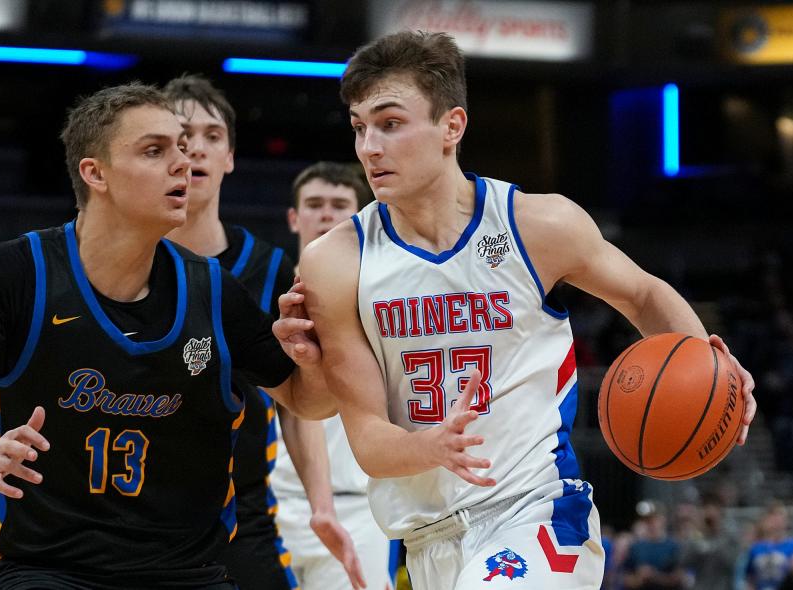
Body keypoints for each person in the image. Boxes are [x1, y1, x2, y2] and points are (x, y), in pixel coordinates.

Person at [274, 30, 757, 590]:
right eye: (359, 127)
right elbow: (367, 438)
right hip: (425, 539)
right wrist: (425, 445)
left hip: (537, 511)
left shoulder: (536, 224)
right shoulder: (336, 262)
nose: (369, 148)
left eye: (390, 123)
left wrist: (708, 364)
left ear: (451, 126)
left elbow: (644, 294)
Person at [0, 83, 331, 590]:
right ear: (94, 173)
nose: (182, 163)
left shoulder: (212, 289)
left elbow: (306, 401)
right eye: (154, 151)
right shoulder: (15, 273)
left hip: (189, 575)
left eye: (183, 148)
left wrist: (308, 357)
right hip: (49, 572)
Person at [160, 74, 361, 590]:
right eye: (182, 134)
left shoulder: (271, 270)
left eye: (211, 136)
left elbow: (298, 400)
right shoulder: (127, 264)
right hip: (135, 516)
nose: (197, 148)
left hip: (240, 517)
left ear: (229, 157)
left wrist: (322, 507)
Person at [272, 161, 397, 590]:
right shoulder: (266, 294)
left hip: (358, 505)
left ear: (361, 217)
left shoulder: (385, 300)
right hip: (274, 502)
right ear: (293, 217)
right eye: (314, 204)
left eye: (340, 205)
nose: (326, 214)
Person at [746, 502, 793, 590]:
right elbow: (750, 579)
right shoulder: (756, 548)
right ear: (765, 521)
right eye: (773, 517)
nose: (777, 521)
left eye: (780, 517)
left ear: (786, 520)